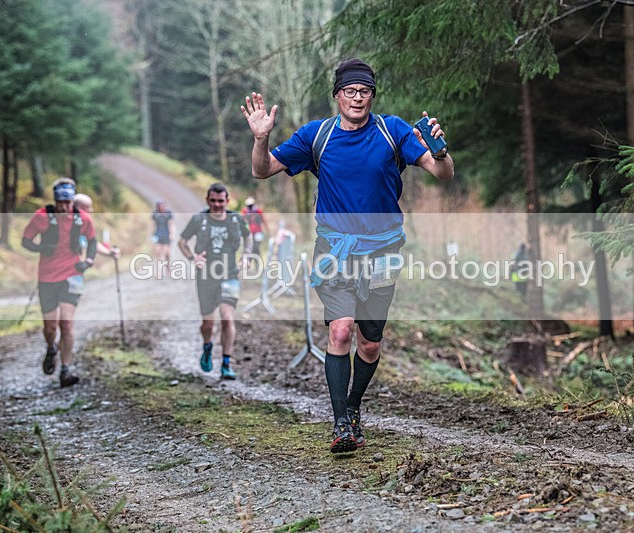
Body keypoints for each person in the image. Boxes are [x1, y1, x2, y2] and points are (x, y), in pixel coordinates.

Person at [241, 58, 454, 453]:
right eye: (351, 91)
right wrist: (260, 138)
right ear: (338, 95)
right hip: (334, 248)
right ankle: (341, 423)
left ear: (372, 95)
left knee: (369, 343)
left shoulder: (393, 131)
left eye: (365, 91)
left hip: (382, 251)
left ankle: (353, 406)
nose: (358, 98)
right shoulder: (316, 136)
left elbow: (441, 174)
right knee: (340, 329)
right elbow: (263, 170)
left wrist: (440, 153)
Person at [21, 179, 97, 387]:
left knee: (67, 323)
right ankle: (51, 347)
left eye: (68, 203)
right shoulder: (42, 217)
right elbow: (25, 240)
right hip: (47, 277)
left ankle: (66, 369)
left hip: (72, 275)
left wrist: (88, 261)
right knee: (50, 327)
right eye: (61, 203)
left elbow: (92, 242)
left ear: (72, 201)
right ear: (55, 201)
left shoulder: (82, 219)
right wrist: (41, 249)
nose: (64, 207)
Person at [178, 183, 251, 380]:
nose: (217, 205)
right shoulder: (198, 219)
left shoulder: (236, 219)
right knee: (208, 323)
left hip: (230, 274)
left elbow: (248, 236)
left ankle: (226, 363)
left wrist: (246, 255)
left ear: (227, 201)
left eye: (221, 201)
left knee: (227, 318)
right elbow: (182, 242)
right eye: (213, 201)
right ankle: (207, 345)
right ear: (207, 200)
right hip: (206, 276)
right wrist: (193, 258)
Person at [73, 193, 121, 259]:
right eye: (88, 207)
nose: (91, 210)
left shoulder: (84, 224)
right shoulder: (70, 223)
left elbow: (92, 242)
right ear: (79, 207)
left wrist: (109, 252)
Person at [151, 200, 174, 279]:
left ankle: (168, 267)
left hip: (166, 235)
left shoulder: (168, 214)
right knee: (158, 254)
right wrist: (151, 236)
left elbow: (171, 224)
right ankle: (158, 273)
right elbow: (152, 225)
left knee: (167, 253)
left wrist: (171, 234)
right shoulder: (155, 214)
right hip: (157, 235)